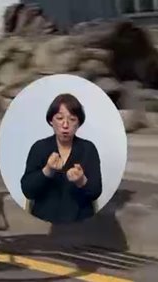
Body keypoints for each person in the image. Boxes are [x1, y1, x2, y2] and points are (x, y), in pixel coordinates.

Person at [20, 93, 102, 224]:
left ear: (79, 123)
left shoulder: (88, 149)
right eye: (59, 118)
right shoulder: (39, 148)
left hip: (80, 224)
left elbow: (96, 191)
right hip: (44, 222)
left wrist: (82, 181)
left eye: (72, 119)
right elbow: (28, 191)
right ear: (51, 121)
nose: (65, 125)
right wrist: (47, 171)